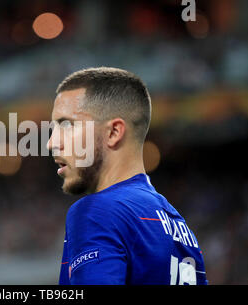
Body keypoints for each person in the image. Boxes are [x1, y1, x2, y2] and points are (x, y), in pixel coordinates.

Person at [47, 67, 207, 285]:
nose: (52, 143)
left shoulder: (98, 211)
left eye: (67, 126)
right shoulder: (179, 226)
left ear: (113, 132)